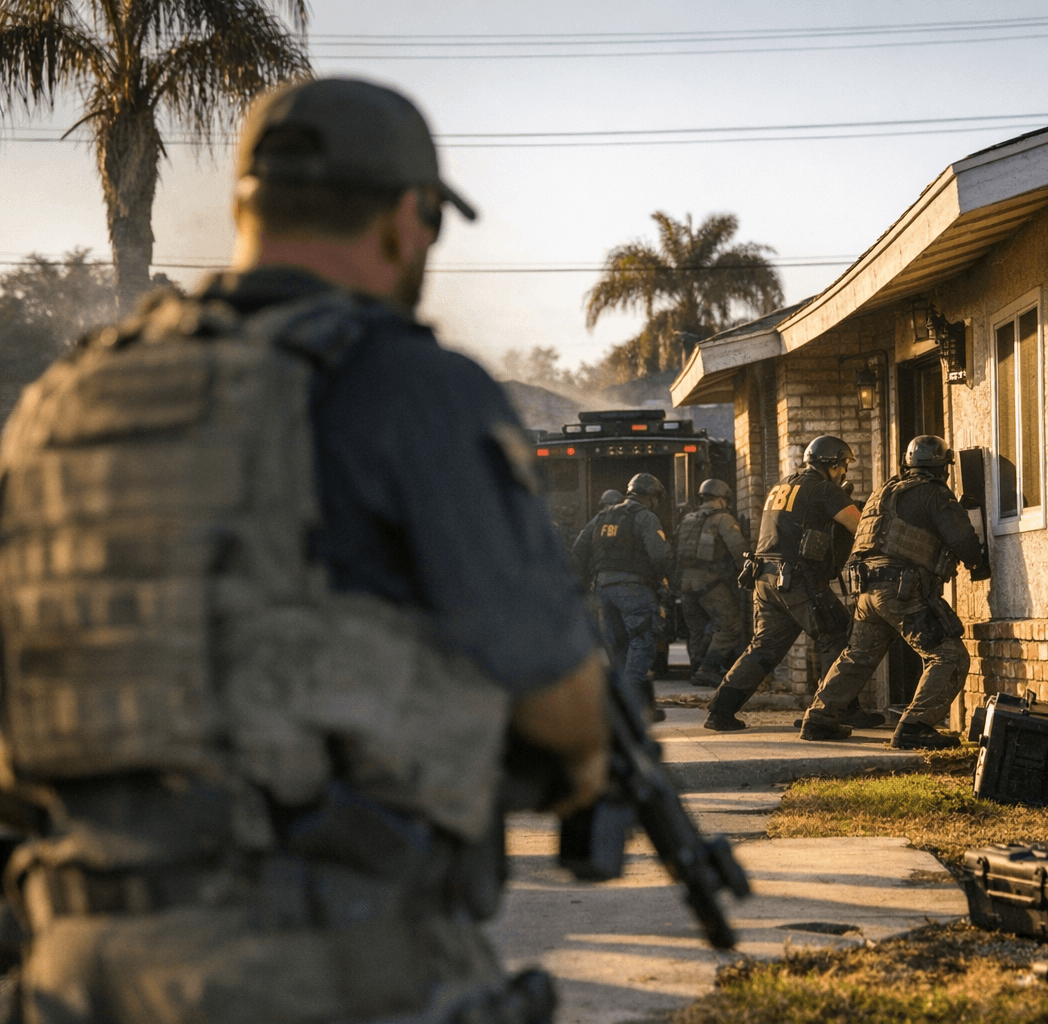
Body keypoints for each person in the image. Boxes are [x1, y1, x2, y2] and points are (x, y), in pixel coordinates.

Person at [0, 77, 609, 1023]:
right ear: (409, 220)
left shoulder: (59, 407)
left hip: (74, 967)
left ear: (246, 204)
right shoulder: (413, 387)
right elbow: (559, 701)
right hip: (318, 964)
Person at [800, 436, 989, 747]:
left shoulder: (883, 491)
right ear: (943, 468)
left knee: (858, 656)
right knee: (948, 655)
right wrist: (978, 562)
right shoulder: (934, 494)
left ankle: (819, 719)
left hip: (866, 592)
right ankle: (915, 727)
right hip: (900, 592)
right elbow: (963, 540)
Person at [704, 437, 861, 732]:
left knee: (764, 648)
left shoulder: (784, 484)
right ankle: (831, 715)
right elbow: (860, 525)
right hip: (797, 580)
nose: (844, 474)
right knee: (837, 634)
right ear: (833, 464)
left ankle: (720, 712)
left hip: (765, 579)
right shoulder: (824, 488)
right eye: (843, 466)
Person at [572, 472, 672, 721]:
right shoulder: (645, 517)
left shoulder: (602, 516)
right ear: (651, 496)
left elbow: (578, 551)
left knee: (617, 646)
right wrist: (665, 581)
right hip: (634, 589)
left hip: (603, 589)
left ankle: (620, 704)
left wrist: (585, 586)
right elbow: (660, 556)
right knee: (642, 642)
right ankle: (633, 707)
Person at [676, 479, 750, 689]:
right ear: (720, 499)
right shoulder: (723, 519)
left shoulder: (688, 519)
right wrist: (751, 572)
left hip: (686, 582)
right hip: (710, 582)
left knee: (697, 630)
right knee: (731, 625)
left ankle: (696, 670)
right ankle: (708, 669)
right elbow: (739, 550)